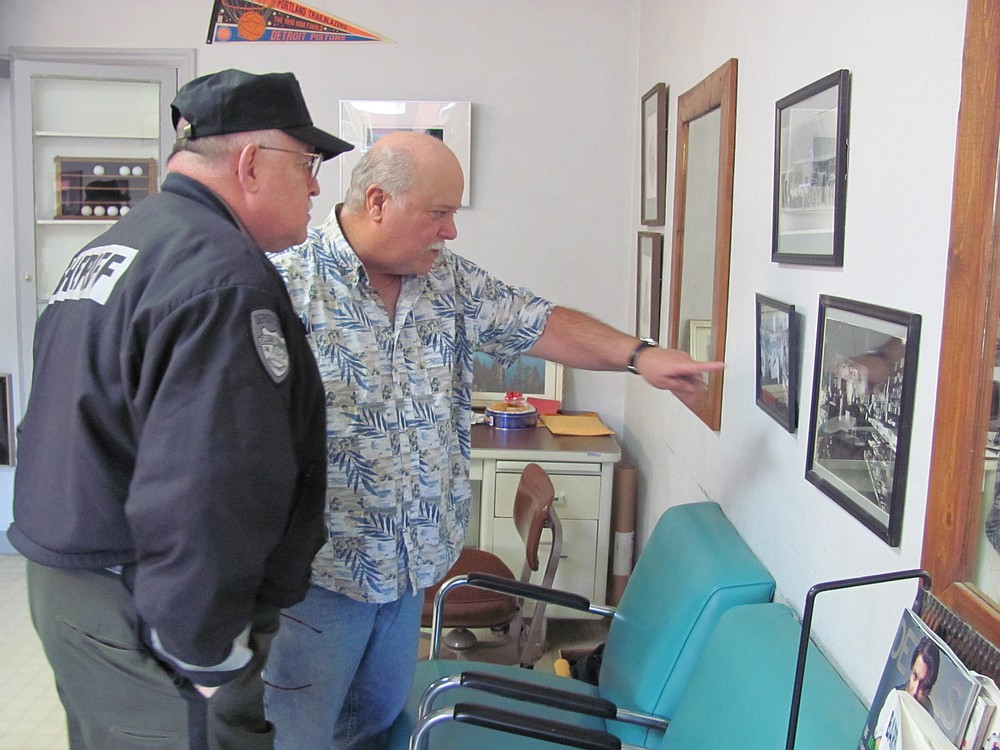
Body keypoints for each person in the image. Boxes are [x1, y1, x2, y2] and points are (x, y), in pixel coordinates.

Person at [262, 130, 724, 749]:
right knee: (297, 737)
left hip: (411, 571)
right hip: (317, 578)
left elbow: (541, 323)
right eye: (440, 213)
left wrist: (639, 356)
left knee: (377, 726)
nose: (451, 231)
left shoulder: (447, 282)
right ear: (377, 202)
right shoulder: (282, 287)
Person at [6, 68, 352, 750]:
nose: (316, 185)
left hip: (74, 585)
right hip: (153, 607)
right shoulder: (222, 276)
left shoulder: (122, 244)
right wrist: (203, 647)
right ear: (252, 162)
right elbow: (210, 480)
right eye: (308, 163)